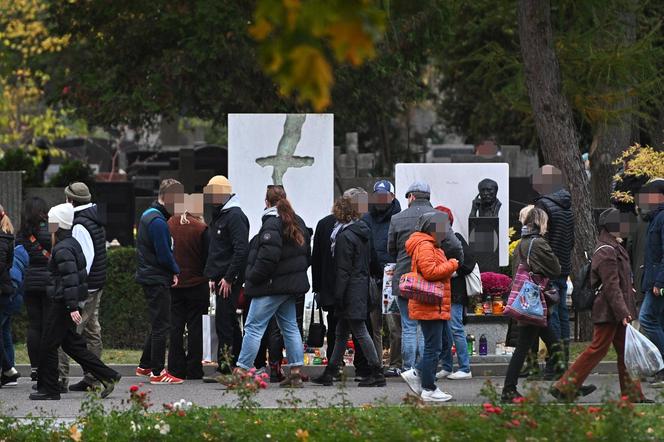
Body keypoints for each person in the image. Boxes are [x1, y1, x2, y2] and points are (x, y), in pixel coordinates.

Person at [550, 208, 650, 402]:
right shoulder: (606, 250)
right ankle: (565, 386)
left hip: (613, 309)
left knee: (624, 352)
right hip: (609, 310)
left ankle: (633, 395)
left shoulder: (612, 247)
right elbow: (611, 286)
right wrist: (623, 312)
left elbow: (617, 282)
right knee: (598, 349)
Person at [30, 203, 120, 400]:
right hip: (67, 302)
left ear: (58, 225)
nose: (48, 226)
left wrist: (71, 306)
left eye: (51, 223)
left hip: (62, 303)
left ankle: (50, 390)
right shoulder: (70, 243)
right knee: (73, 346)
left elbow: (70, 278)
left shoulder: (62, 248)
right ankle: (109, 375)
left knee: (48, 345)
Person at [236, 186, 310, 387]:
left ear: (266, 202)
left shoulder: (271, 223)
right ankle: (295, 372)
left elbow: (268, 257)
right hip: (290, 286)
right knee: (290, 326)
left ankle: (241, 371)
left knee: (253, 327)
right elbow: (305, 255)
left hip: (271, 286)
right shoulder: (297, 221)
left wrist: (252, 277)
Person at [313, 188, 386, 387]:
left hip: (349, 291)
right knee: (341, 333)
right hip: (359, 287)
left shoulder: (344, 237)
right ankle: (330, 371)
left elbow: (343, 269)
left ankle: (377, 372)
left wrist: (338, 295)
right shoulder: (360, 231)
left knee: (360, 331)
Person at [388, 181, 463, 372]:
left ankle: (408, 368)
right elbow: (455, 246)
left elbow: (390, 250)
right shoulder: (437, 218)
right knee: (424, 327)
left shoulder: (397, 218)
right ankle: (423, 369)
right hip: (430, 282)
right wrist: (447, 260)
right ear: (428, 197)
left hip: (405, 280)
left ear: (411, 197)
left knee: (408, 326)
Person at [501, 207, 565, 403]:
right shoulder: (538, 243)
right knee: (530, 347)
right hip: (534, 302)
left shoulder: (522, 243)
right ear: (540, 223)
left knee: (553, 344)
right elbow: (556, 268)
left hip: (527, 300)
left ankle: (569, 384)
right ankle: (508, 390)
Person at [400, 211, 459, 402]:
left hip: (435, 305)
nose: (446, 232)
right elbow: (430, 272)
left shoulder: (430, 245)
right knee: (433, 347)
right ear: (432, 228)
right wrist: (451, 265)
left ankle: (417, 372)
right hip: (430, 304)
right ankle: (428, 388)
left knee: (440, 344)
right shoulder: (425, 245)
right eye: (443, 228)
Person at [59, 182, 108, 392]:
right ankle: (93, 378)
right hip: (97, 284)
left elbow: (84, 261)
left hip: (85, 288)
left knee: (66, 334)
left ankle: (60, 379)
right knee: (92, 330)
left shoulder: (79, 224)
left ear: (70, 200)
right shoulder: (94, 217)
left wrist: (75, 290)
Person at [135, 179, 183, 384]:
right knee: (162, 325)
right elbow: (164, 253)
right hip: (156, 277)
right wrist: (175, 270)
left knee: (157, 323)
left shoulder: (148, 215)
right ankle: (157, 372)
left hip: (149, 275)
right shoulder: (158, 222)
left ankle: (145, 366)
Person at [203, 175, 249, 377]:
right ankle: (236, 359)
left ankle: (226, 364)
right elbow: (217, 249)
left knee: (224, 322)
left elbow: (241, 250)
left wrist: (229, 277)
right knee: (228, 321)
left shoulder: (235, 216)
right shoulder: (221, 214)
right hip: (222, 277)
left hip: (229, 279)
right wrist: (213, 275)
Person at [533, 165, 575, 373]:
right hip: (564, 266)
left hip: (548, 269)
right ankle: (563, 360)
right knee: (563, 315)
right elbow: (571, 239)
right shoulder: (567, 204)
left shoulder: (543, 204)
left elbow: (541, 237)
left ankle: (556, 363)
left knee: (551, 316)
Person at [362, 180, 402, 377]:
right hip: (372, 277)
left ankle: (395, 363)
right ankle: (376, 364)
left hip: (392, 276)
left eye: (384, 195)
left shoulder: (399, 218)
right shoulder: (366, 218)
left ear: (392, 196)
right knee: (373, 324)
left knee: (394, 325)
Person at [167, 195, 210, 380]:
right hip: (197, 284)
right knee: (195, 327)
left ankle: (175, 367)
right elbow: (208, 256)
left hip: (174, 283)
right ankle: (194, 368)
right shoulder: (201, 228)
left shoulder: (170, 224)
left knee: (175, 326)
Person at [435, 206, 474, 380]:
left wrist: (452, 272)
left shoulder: (455, 238)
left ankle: (465, 368)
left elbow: (469, 262)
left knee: (455, 328)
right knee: (445, 331)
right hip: (441, 292)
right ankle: (447, 366)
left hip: (454, 291)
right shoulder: (435, 241)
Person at [16, 197, 52, 385]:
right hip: (49, 282)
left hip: (29, 282)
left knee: (34, 325)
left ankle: (35, 368)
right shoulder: (50, 229)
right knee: (48, 325)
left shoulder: (22, 232)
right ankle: (47, 367)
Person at [637, 179, 664, 387]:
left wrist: (659, 281)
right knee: (658, 321)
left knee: (646, 318)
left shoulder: (662, 218)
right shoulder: (655, 218)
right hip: (654, 279)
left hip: (658, 281)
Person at [1, 234, 29, 387]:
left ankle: (8, 368)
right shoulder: (19, 252)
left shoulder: (14, 252)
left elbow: (13, 278)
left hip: (8, 297)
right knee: (5, 332)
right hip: (13, 297)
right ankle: (8, 369)